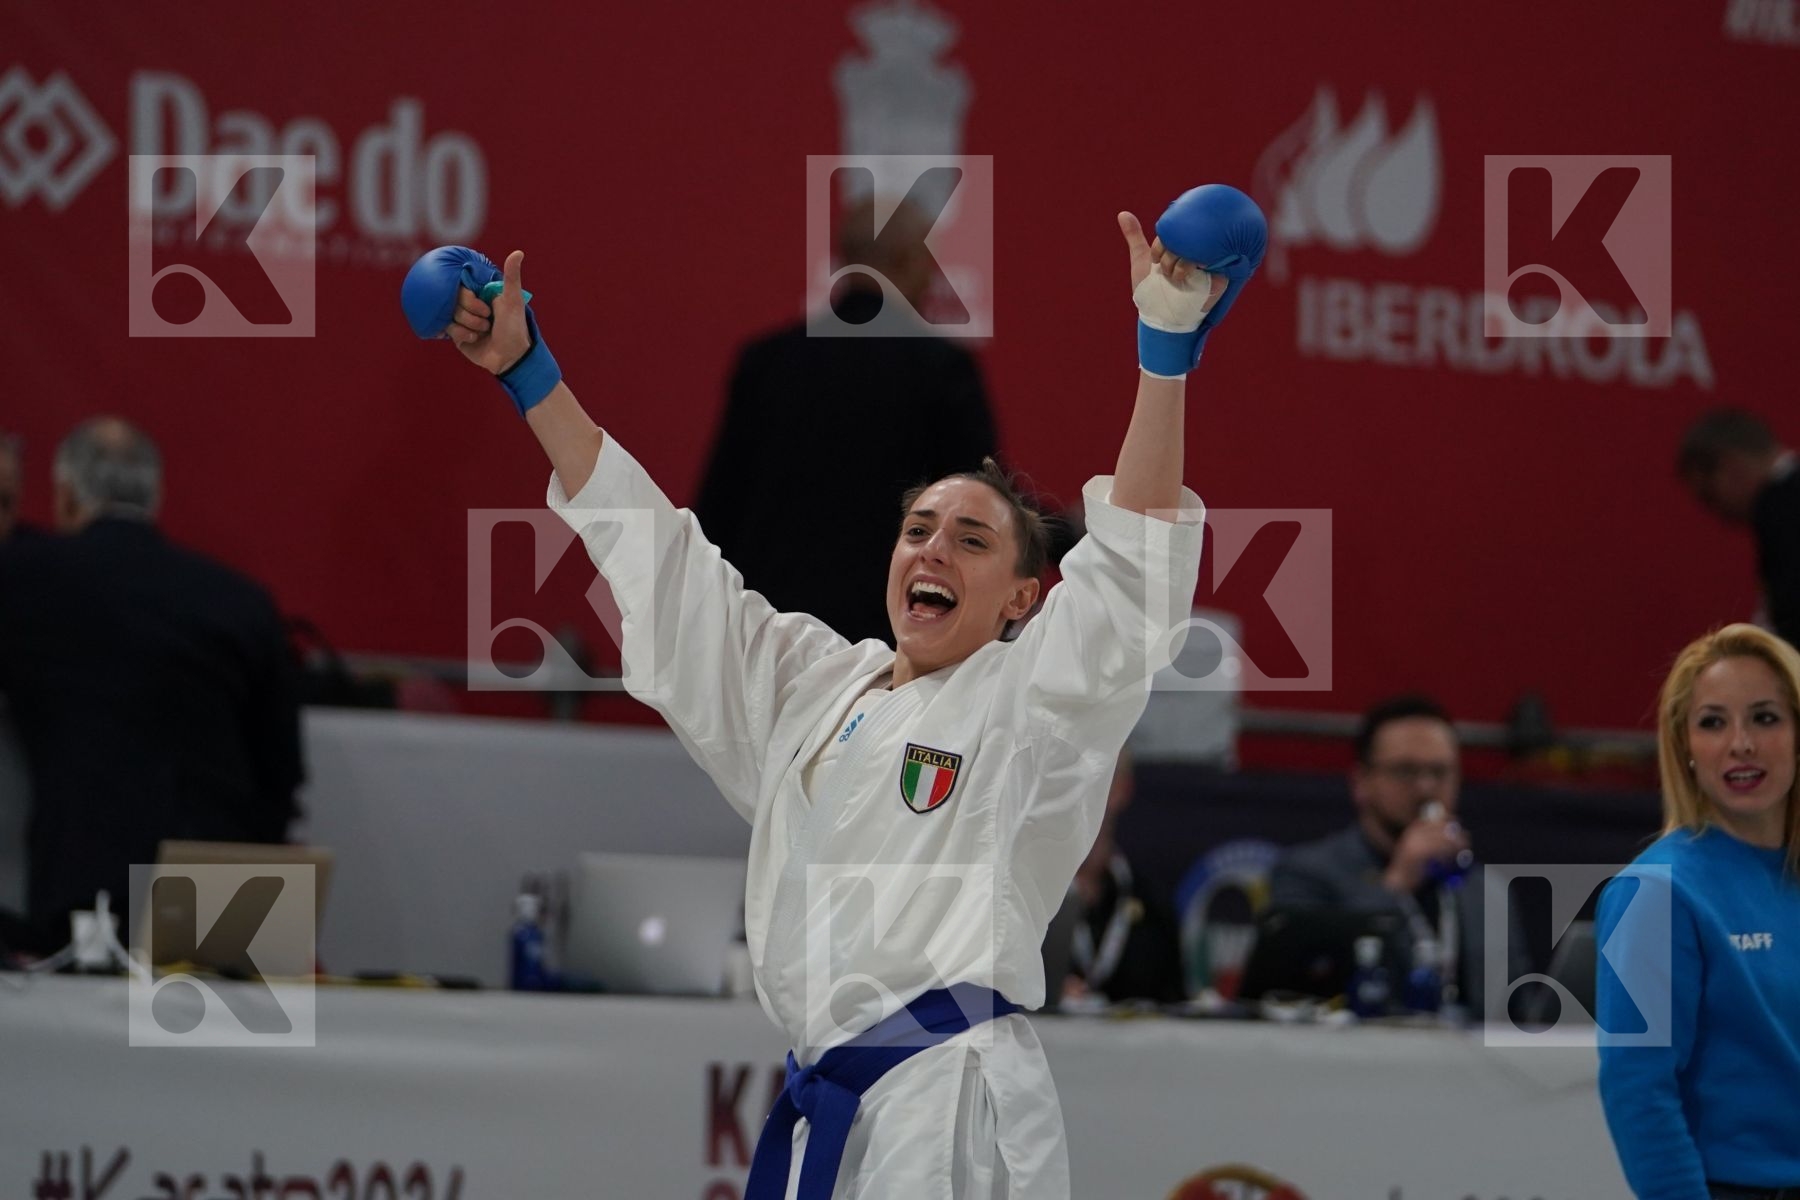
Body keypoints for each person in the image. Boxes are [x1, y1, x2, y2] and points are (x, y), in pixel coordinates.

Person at [408, 182, 1264, 1198]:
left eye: (973, 538)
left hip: (948, 1104)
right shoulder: (814, 686)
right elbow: (659, 558)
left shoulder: (1034, 701)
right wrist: (528, 373)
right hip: (826, 1106)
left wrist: (1163, 350)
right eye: (918, 530)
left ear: (1024, 600)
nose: (932, 548)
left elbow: (1130, 576)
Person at [0, 418, 305, 955]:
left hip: (84, 896)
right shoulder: (243, 602)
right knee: (227, 1037)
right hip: (222, 897)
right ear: (156, 496)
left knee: (75, 1039)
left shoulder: (23, 581)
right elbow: (280, 778)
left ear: (66, 497)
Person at [692, 197, 999, 645]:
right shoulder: (939, 370)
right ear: (907, 261)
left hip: (768, 640)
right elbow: (981, 508)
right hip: (884, 647)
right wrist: (1068, 535)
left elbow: (717, 514)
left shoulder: (767, 363)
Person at [1596, 624, 1800, 1199]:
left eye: (1765, 717)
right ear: (1683, 745)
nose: (1741, 743)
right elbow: (1638, 1090)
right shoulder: (1654, 892)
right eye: (1713, 722)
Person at [1266, 694, 1527, 1018]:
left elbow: (1519, 1012)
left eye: (1440, 772)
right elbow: (1298, 984)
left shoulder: (1486, 891)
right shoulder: (1308, 874)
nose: (1426, 789)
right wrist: (1398, 882)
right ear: (1362, 782)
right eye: (1405, 771)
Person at [1060, 751, 1185, 1005]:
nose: (1078, 789)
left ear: (1121, 789)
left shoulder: (1152, 905)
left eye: (1093, 775)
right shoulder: (1015, 899)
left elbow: (1177, 1016)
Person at [1679, 408, 1800, 649]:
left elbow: (1792, 617)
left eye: (1710, 495)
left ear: (1730, 466)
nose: (1718, 513)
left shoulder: (1782, 509)